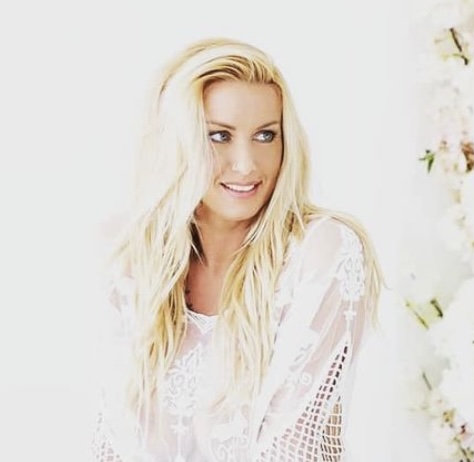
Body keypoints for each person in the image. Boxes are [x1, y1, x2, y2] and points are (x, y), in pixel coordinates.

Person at [90, 37, 383, 461]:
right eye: (219, 136)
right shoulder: (130, 259)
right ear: (176, 141)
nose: (246, 164)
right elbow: (114, 444)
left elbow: (292, 450)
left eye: (266, 135)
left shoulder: (321, 252)